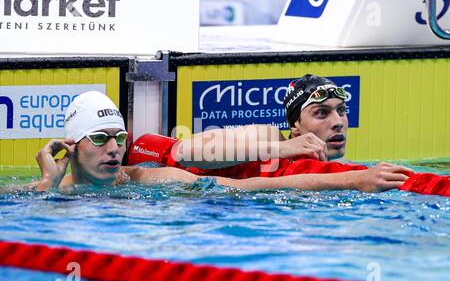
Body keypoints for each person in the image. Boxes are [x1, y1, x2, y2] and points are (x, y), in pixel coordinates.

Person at [32, 91, 412, 193]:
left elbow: (249, 187)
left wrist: (355, 178)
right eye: (100, 138)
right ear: (70, 145)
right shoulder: (268, 138)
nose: (114, 148)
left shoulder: (150, 180)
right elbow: (186, 151)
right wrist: (48, 184)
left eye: (119, 138)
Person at [173, 74, 349, 169]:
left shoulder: (337, 168)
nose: (338, 122)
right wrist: (281, 149)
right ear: (295, 125)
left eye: (341, 110)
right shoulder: (270, 137)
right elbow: (184, 151)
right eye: (321, 113)